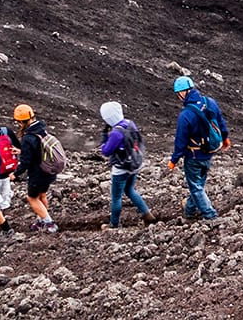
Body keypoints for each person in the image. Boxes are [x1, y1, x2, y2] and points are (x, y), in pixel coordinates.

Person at [167, 76, 229, 221]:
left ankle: (211, 215)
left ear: (183, 93)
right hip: (209, 154)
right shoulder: (210, 102)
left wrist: (173, 160)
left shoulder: (186, 115)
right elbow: (220, 122)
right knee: (198, 184)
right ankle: (189, 210)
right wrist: (225, 138)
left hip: (194, 157)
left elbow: (180, 142)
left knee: (196, 187)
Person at [98, 100, 155, 228]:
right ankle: (147, 214)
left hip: (121, 169)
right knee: (129, 190)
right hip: (134, 164)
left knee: (116, 197)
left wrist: (104, 137)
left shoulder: (116, 133)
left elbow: (106, 151)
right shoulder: (130, 123)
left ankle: (114, 224)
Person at [13, 104, 59, 232]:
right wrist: (22, 151)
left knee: (32, 198)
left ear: (21, 121)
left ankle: (49, 223)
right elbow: (39, 150)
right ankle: (40, 221)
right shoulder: (42, 129)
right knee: (42, 195)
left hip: (37, 173)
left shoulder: (28, 137)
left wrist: (15, 174)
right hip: (48, 170)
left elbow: (25, 163)